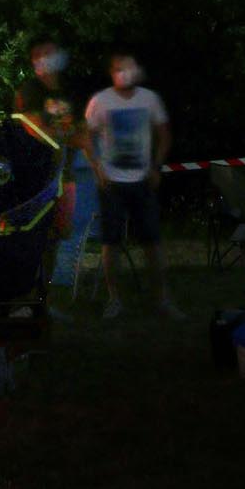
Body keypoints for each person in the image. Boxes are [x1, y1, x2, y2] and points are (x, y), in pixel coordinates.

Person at [85, 53, 183, 320]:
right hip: (112, 184)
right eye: (117, 68)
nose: (123, 73)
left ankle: (162, 299)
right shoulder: (100, 101)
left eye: (127, 67)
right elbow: (87, 136)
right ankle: (114, 299)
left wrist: (156, 166)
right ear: (111, 72)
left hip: (142, 182)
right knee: (111, 243)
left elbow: (164, 134)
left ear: (137, 70)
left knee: (152, 242)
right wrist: (97, 168)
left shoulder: (149, 99)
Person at [16, 39, 102, 317]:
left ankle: (43, 300)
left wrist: (97, 167)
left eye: (48, 53)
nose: (42, 59)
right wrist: (68, 134)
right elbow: (35, 129)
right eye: (37, 55)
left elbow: (82, 133)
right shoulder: (29, 90)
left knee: (56, 235)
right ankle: (22, 299)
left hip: (62, 174)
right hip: (33, 175)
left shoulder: (68, 92)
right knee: (32, 237)